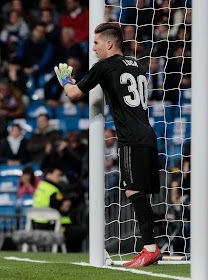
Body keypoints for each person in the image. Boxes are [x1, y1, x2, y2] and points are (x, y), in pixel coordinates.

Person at [54, 23, 161, 266]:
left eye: (97, 43)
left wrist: (66, 80)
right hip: (148, 134)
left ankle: (150, 248)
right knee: (142, 194)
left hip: (131, 139)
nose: (94, 48)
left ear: (109, 44)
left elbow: (73, 94)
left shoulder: (104, 67)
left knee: (133, 191)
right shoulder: (138, 65)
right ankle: (152, 246)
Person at [33, 167, 87, 252]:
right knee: (81, 231)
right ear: (48, 175)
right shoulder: (53, 190)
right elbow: (63, 208)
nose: (60, 178)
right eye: (57, 175)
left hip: (37, 223)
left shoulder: (41, 185)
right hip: (52, 225)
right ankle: (71, 254)